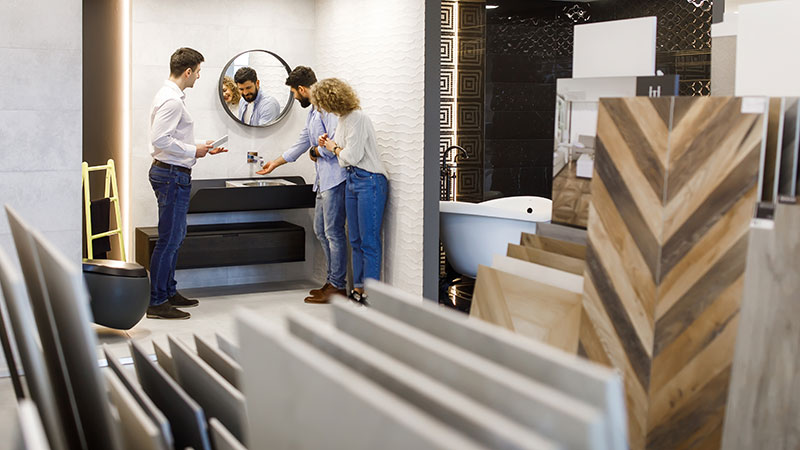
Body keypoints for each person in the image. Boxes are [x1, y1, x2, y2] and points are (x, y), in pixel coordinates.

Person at [147, 47, 228, 319]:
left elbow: (170, 139)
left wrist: (199, 146)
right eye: (199, 71)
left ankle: (168, 291)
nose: (199, 77)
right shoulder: (172, 100)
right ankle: (157, 301)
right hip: (171, 176)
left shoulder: (169, 96)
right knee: (169, 239)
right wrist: (194, 151)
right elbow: (160, 140)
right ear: (188, 71)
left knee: (175, 237)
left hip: (172, 174)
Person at [256, 66, 348, 304]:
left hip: (336, 181)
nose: (295, 98)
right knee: (321, 231)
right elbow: (302, 142)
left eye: (295, 93)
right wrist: (275, 164)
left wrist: (316, 150)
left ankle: (337, 286)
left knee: (333, 233)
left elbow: (333, 146)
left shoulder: (327, 110)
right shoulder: (313, 113)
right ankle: (331, 282)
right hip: (322, 181)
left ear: (302, 89)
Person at [313, 78, 388, 304]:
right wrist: (328, 142)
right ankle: (358, 289)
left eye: (322, 103)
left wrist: (333, 147)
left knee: (369, 241)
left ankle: (371, 294)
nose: (321, 108)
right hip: (353, 180)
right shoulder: (343, 119)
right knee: (354, 239)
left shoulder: (359, 118)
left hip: (370, 180)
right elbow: (341, 152)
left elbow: (349, 156)